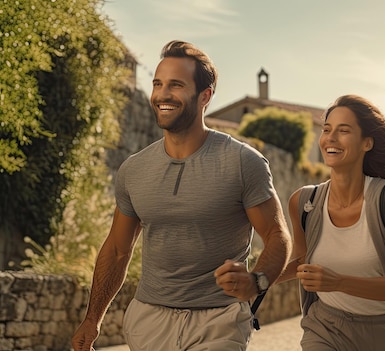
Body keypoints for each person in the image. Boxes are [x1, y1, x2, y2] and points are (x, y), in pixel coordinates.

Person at [71, 40, 292, 351]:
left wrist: (257, 281)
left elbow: (277, 236)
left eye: (175, 85)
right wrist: (92, 319)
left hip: (219, 321)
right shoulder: (133, 170)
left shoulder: (243, 162)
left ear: (205, 96)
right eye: (158, 84)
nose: (162, 94)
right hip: (149, 321)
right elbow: (118, 250)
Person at [277, 94, 385, 351]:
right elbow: (300, 261)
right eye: (326, 130)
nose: (330, 138)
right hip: (325, 326)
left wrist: (338, 282)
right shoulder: (304, 201)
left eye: (343, 131)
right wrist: (256, 279)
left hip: (384, 333)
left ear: (367, 143)